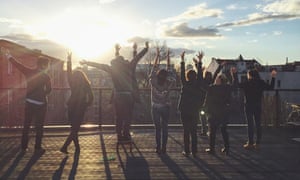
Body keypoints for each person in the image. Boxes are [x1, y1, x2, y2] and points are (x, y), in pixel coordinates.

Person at [80, 42, 149, 142]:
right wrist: (145, 48)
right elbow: (137, 57)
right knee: (128, 116)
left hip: (118, 96)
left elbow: (99, 65)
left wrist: (87, 62)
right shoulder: (129, 66)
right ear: (123, 61)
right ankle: (126, 134)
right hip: (128, 95)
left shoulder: (113, 69)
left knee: (119, 117)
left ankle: (119, 136)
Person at [2, 48, 51, 153]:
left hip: (29, 102)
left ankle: (24, 146)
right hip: (41, 104)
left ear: (38, 64)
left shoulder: (29, 72)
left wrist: (9, 56)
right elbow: (49, 90)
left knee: (26, 125)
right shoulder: (46, 76)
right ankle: (37, 147)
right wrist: (42, 95)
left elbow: (18, 65)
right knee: (39, 126)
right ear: (44, 65)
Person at [231, 68, 277, 150]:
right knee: (258, 124)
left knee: (250, 124)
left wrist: (234, 74)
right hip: (258, 105)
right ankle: (258, 143)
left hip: (248, 105)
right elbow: (271, 88)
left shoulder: (247, 83)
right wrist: (273, 77)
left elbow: (236, 85)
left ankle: (250, 143)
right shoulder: (261, 82)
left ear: (250, 75)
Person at [60, 52, 94, 154]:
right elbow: (91, 96)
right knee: (75, 128)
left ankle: (77, 148)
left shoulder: (72, 82)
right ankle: (65, 147)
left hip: (71, 106)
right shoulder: (86, 84)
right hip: (80, 107)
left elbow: (69, 72)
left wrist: (69, 60)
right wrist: (87, 104)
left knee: (73, 128)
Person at [178, 51, 205, 157]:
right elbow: (199, 74)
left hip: (184, 109)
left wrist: (182, 60)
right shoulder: (198, 84)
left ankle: (187, 151)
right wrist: (200, 61)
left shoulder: (185, 84)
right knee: (194, 131)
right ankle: (194, 151)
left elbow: (181, 74)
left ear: (187, 76)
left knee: (186, 131)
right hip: (194, 110)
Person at [149, 48, 175, 154]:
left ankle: (158, 147)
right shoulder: (169, 82)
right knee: (165, 127)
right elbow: (170, 70)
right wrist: (168, 56)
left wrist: (158, 56)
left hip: (155, 106)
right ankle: (164, 147)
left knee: (157, 128)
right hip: (166, 106)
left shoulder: (153, 80)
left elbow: (154, 68)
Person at [203, 74, 232, 155]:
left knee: (212, 131)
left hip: (213, 112)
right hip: (223, 112)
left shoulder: (212, 88)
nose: (215, 80)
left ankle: (212, 149)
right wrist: (234, 74)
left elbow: (201, 84)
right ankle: (227, 147)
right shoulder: (226, 88)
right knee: (224, 130)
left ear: (219, 80)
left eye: (217, 79)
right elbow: (235, 85)